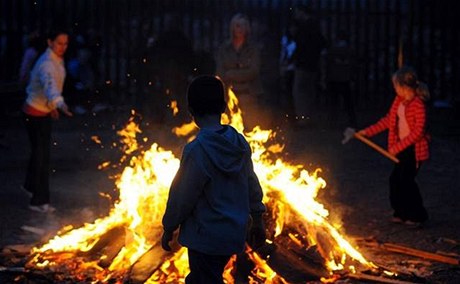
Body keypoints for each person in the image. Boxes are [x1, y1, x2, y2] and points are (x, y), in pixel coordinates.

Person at [161, 75, 266, 284]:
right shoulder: (239, 143)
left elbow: (182, 196)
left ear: (191, 111)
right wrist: (258, 218)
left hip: (204, 238)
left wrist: (169, 226)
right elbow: (251, 183)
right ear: (224, 107)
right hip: (233, 233)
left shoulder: (196, 151)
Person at [357, 66, 430, 227]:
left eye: (395, 85)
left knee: (407, 181)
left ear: (404, 87)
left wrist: (398, 147)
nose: (394, 88)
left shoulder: (418, 105)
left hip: (413, 150)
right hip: (402, 148)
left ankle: (417, 215)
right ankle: (401, 213)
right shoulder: (398, 102)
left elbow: (418, 132)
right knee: (395, 180)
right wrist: (367, 132)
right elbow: (388, 120)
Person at [22, 30, 73, 213]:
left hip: (41, 112)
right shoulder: (46, 64)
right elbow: (50, 86)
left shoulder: (55, 59)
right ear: (49, 41)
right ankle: (39, 201)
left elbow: (49, 88)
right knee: (42, 157)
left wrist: (51, 107)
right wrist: (59, 104)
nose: (63, 47)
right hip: (34, 114)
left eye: (65, 43)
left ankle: (29, 186)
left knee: (38, 154)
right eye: (59, 43)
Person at [216, 13, 265, 131]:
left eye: (243, 26)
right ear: (232, 28)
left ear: (247, 28)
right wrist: (234, 75)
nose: (240, 29)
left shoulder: (253, 49)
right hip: (229, 94)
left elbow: (253, 71)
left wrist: (232, 74)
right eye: (237, 25)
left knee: (250, 129)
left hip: (249, 93)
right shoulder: (224, 48)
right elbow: (220, 71)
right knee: (229, 128)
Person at [291, 5, 326, 127]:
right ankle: (308, 117)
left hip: (303, 64)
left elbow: (300, 46)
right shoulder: (316, 27)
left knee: (299, 92)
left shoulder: (303, 27)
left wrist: (293, 59)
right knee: (309, 92)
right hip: (313, 65)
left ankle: (302, 119)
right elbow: (322, 43)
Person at [325, 30, 357, 127]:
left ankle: (333, 121)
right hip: (345, 79)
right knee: (348, 102)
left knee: (334, 101)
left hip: (334, 78)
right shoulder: (350, 50)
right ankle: (352, 121)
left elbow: (328, 64)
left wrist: (326, 77)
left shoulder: (332, 50)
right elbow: (353, 65)